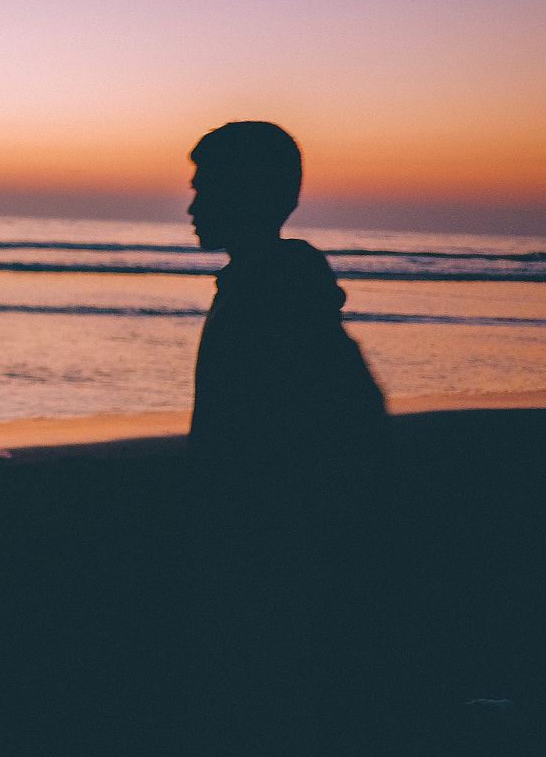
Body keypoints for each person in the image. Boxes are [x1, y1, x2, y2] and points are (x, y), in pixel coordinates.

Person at [184, 121, 391, 752]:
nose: (192, 206)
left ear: (245, 195)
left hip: (270, 564)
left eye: (205, 188)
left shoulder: (266, 300)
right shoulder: (276, 290)